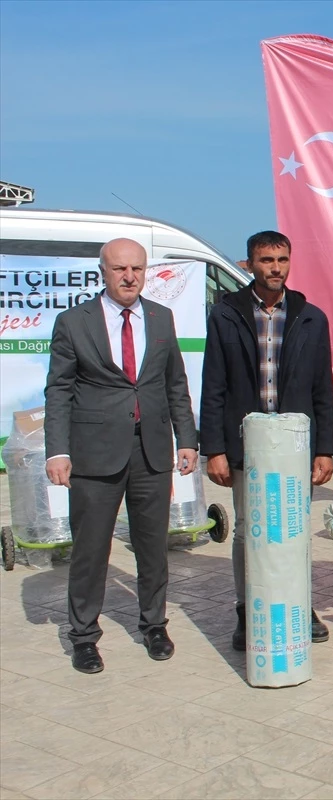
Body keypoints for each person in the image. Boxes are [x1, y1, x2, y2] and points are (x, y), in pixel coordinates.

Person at [44, 238, 198, 674]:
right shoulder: (74, 322)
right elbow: (59, 390)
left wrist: (186, 439)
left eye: (137, 269)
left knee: (153, 547)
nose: (129, 277)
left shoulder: (161, 318)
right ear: (103, 272)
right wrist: (57, 450)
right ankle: (84, 636)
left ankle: (153, 624)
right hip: (93, 454)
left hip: (150, 450)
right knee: (91, 550)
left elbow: (175, 385)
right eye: (120, 269)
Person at [199, 230, 333, 652]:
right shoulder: (227, 315)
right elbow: (214, 385)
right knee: (247, 530)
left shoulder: (310, 317)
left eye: (281, 259)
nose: (274, 268)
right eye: (265, 260)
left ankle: (300, 604)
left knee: (295, 531)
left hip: (294, 445)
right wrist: (215, 449)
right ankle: (249, 609)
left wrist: (325, 447)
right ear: (250, 264)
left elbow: (322, 388)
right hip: (246, 445)